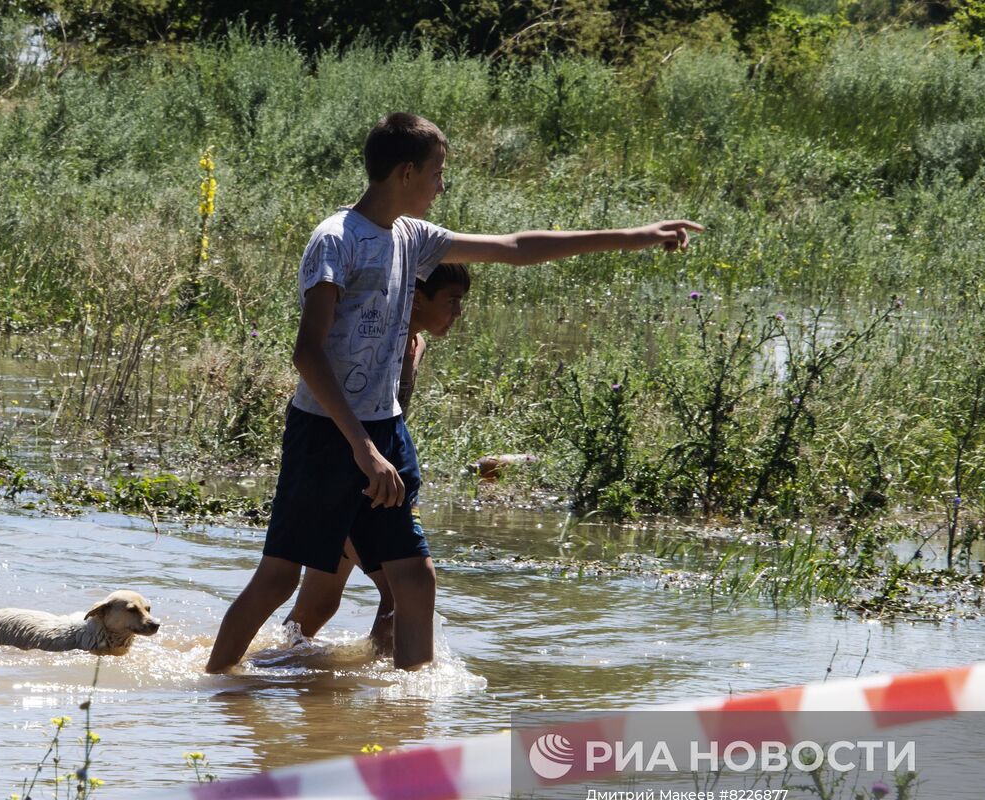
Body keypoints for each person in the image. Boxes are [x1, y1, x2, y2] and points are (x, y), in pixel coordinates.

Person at [205, 112, 699, 674]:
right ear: (407, 171)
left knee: (414, 578)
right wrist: (362, 451)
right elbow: (307, 354)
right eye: (439, 172)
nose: (443, 185)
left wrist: (633, 236)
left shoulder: (413, 239)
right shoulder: (335, 241)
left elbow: (516, 246)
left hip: (383, 429)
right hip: (326, 434)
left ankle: (412, 706)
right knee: (277, 580)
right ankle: (212, 691)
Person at [281, 262, 471, 657]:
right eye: (452, 301)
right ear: (417, 298)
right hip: (351, 477)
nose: (458, 312)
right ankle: (390, 695)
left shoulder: (415, 344)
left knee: (318, 604)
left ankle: (269, 669)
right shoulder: (378, 340)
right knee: (401, 590)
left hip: (375, 477)